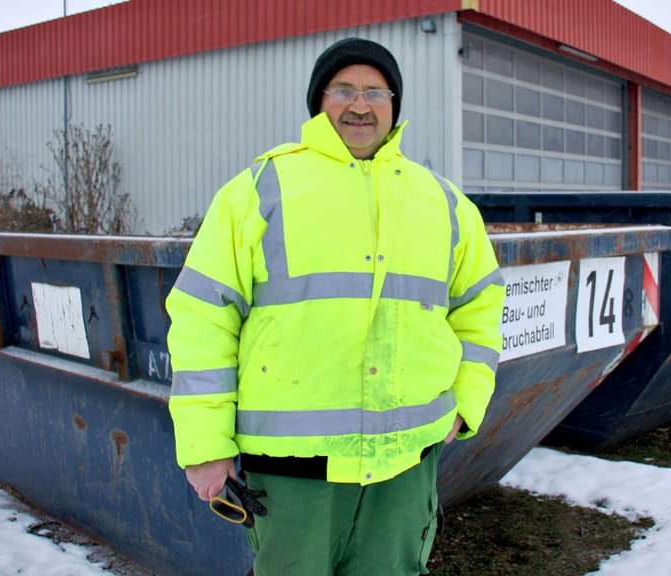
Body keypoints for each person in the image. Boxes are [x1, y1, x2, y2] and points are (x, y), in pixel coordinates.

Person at [165, 37, 505, 575]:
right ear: (318, 102)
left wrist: (466, 402)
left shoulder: (444, 203)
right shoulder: (259, 190)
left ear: (395, 105)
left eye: (376, 91)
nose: (360, 104)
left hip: (405, 465)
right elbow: (203, 317)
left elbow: (480, 307)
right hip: (293, 473)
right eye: (342, 89)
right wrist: (206, 444)